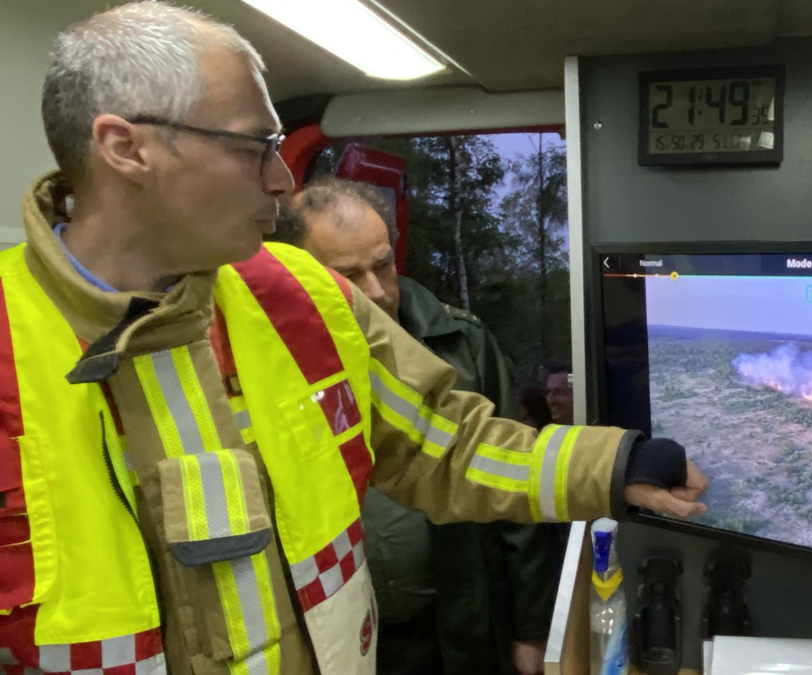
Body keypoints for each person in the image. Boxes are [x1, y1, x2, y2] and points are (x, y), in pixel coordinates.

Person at [0, 4, 707, 675]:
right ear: (127, 148)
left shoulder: (300, 297)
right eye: (256, 148)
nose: (282, 181)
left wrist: (616, 464)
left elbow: (450, 446)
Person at [271, 177, 559, 675]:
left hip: (461, 620)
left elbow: (517, 489)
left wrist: (531, 628)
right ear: (301, 274)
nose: (377, 292)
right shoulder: (268, 363)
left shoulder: (460, 342)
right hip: (345, 634)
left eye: (383, 265)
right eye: (348, 276)